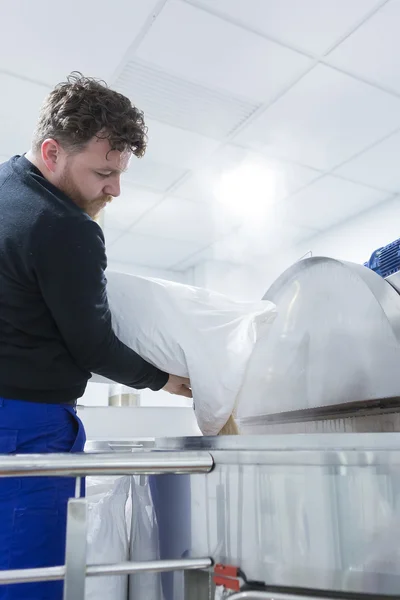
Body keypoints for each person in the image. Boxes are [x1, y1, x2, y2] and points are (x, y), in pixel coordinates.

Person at [0, 72, 191, 600]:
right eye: (104, 172)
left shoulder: (6, 186)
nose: (115, 188)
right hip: (26, 427)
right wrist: (166, 379)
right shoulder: (63, 225)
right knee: (28, 578)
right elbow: (93, 345)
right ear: (52, 151)